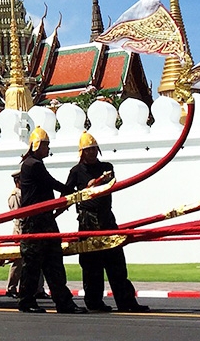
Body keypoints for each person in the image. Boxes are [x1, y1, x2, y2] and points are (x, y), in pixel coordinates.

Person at [65, 132, 151, 313]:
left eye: (94, 149)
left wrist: (100, 182)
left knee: (116, 261)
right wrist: (84, 189)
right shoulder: (76, 171)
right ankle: (94, 302)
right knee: (91, 265)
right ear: (82, 152)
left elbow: (111, 183)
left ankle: (126, 301)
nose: (92, 152)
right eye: (88, 150)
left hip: (106, 218)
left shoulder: (106, 167)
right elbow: (66, 195)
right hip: (87, 221)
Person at [16, 127, 86, 314]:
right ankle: (29, 301)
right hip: (35, 222)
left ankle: (62, 301)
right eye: (46, 145)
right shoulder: (33, 165)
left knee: (52, 261)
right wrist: (73, 191)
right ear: (37, 145)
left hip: (43, 219)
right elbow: (51, 183)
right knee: (34, 264)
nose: (48, 148)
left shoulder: (32, 163)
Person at [5, 171, 24, 298]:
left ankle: (38, 289)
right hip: (20, 229)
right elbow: (18, 215)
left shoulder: (25, 192)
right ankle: (11, 287)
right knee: (18, 261)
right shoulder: (15, 194)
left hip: (27, 227)